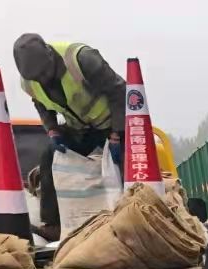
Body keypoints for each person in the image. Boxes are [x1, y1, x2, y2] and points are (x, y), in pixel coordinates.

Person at [12, 34, 126, 242]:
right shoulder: (29, 82)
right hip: (80, 130)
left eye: (44, 72)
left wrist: (117, 133)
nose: (43, 79)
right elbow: (40, 103)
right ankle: (53, 224)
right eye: (37, 77)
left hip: (112, 125)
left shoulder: (81, 59)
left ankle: (128, 218)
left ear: (50, 54)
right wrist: (52, 130)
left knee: (125, 164)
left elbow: (119, 91)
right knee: (49, 156)